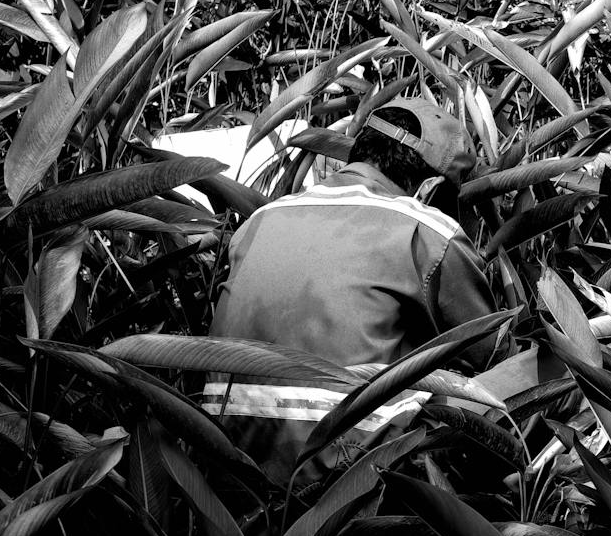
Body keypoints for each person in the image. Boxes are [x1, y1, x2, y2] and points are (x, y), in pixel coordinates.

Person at [202, 97, 495, 480]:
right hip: (344, 469)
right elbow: (486, 351)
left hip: (227, 460)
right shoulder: (424, 229)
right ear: (430, 188)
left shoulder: (261, 219)